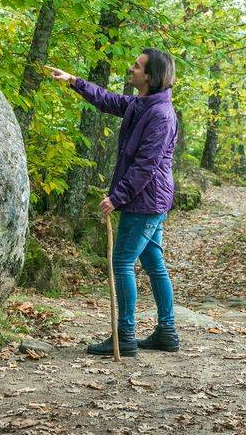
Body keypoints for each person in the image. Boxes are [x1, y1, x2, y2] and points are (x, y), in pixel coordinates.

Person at [45, 49, 180, 357]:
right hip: (150, 199)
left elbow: (146, 164)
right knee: (153, 263)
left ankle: (126, 335)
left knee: (121, 262)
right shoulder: (140, 104)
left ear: (150, 76)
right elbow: (108, 99)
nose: (130, 69)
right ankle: (167, 332)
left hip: (145, 201)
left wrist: (117, 197)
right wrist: (73, 81)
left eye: (137, 66)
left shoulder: (160, 115)